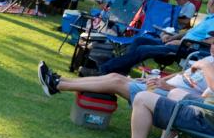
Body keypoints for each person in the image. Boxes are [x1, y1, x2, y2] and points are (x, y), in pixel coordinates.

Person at [96, 51, 214, 138]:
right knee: (175, 93)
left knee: (142, 97)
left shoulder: (208, 64)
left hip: (206, 120)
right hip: (206, 109)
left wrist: (205, 65)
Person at [38, 44, 212, 108]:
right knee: (115, 75)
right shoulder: (210, 58)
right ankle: (59, 80)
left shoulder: (207, 64)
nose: (212, 45)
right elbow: (183, 73)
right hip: (161, 86)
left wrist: (168, 87)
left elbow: (204, 99)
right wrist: (161, 80)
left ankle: (57, 85)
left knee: (115, 81)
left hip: (173, 99)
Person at [96, 2, 214, 76]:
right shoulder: (210, 18)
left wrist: (182, 42)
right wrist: (172, 37)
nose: (210, 3)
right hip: (179, 43)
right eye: (211, 1)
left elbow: (211, 41)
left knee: (143, 49)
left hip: (187, 49)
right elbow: (189, 32)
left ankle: (104, 69)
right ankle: (122, 70)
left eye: (212, 2)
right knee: (139, 40)